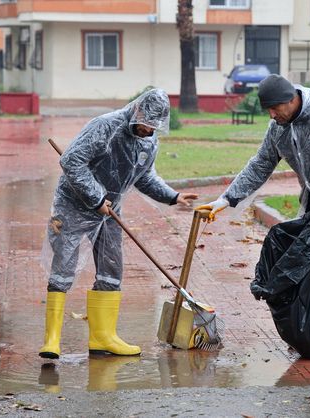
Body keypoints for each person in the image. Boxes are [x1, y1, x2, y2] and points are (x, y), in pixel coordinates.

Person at [196, 75, 310, 358]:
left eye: (275, 109)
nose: (272, 116)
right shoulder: (278, 128)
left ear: (290, 100)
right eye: (268, 111)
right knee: (309, 260)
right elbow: (260, 165)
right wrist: (225, 200)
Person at [40, 88, 198, 359]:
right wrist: (95, 197)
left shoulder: (149, 141)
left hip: (110, 209)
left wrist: (173, 197)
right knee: (64, 266)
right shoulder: (105, 126)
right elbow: (71, 161)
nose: (150, 131)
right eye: (148, 125)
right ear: (137, 112)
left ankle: (103, 337)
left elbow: (144, 177)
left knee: (112, 268)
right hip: (74, 204)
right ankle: (52, 339)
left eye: (155, 127)